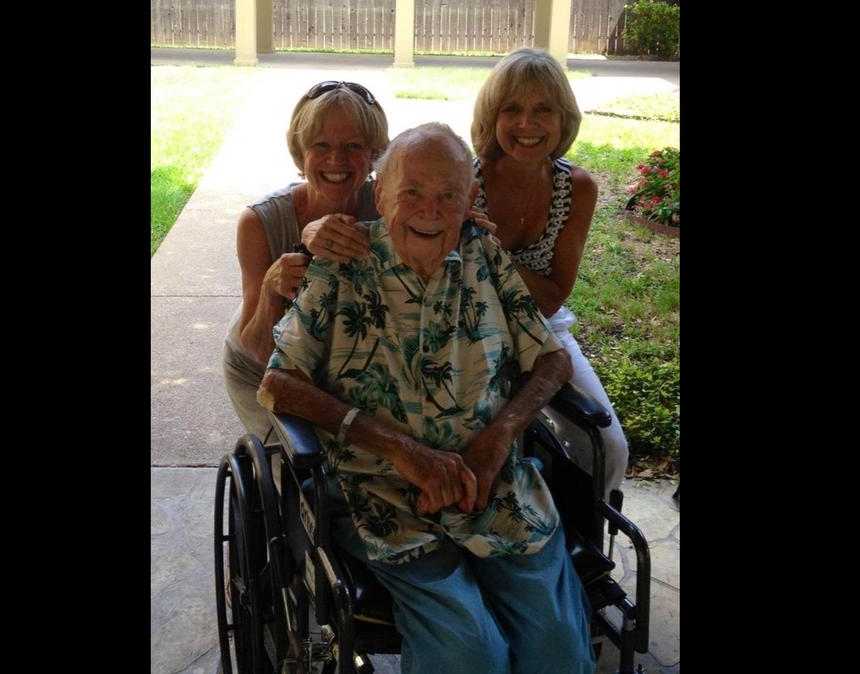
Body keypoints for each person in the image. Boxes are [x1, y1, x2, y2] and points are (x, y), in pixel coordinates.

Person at [257, 123, 595, 674]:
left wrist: (498, 437)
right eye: (411, 191)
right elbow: (278, 382)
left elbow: (550, 357)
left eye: (448, 195)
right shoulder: (344, 260)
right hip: (384, 497)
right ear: (381, 191)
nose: (430, 210)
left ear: (471, 201)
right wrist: (398, 449)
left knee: (557, 648)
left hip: (495, 490)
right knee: (469, 653)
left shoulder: (484, 251)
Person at [469, 47, 631, 502]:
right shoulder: (464, 178)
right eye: (512, 109)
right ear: (491, 115)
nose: (527, 125)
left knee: (608, 446)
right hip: (464, 327)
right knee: (486, 449)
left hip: (542, 330)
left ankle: (586, 539)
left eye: (544, 110)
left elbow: (552, 297)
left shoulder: (576, 188)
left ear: (564, 119)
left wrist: (486, 248)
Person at [223, 81, 389, 440]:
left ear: (374, 153)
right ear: (301, 153)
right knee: (313, 473)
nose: (336, 160)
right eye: (321, 146)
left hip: (339, 360)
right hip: (261, 367)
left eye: (353, 146)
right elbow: (259, 348)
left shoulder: (386, 206)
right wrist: (271, 288)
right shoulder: (260, 222)